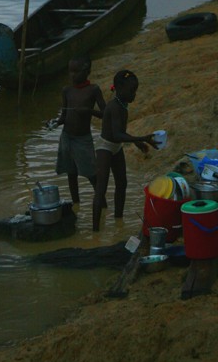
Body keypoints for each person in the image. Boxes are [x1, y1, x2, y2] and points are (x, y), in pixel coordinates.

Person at [92, 69, 156, 232]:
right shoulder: (114, 107)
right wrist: (140, 139)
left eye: (135, 90)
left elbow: (120, 133)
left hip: (116, 146)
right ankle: (95, 232)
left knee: (122, 184)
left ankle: (118, 222)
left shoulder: (122, 104)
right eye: (131, 91)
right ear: (119, 89)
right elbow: (116, 134)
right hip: (105, 147)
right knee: (101, 189)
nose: (134, 94)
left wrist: (137, 142)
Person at [55, 56, 106, 204]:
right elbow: (64, 116)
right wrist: (55, 123)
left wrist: (89, 111)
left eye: (76, 71)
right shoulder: (67, 90)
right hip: (66, 137)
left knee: (91, 174)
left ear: (87, 71)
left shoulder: (93, 90)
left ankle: (101, 203)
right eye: (70, 71)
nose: (72, 75)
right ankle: (75, 204)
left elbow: (105, 114)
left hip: (82, 139)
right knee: (71, 174)